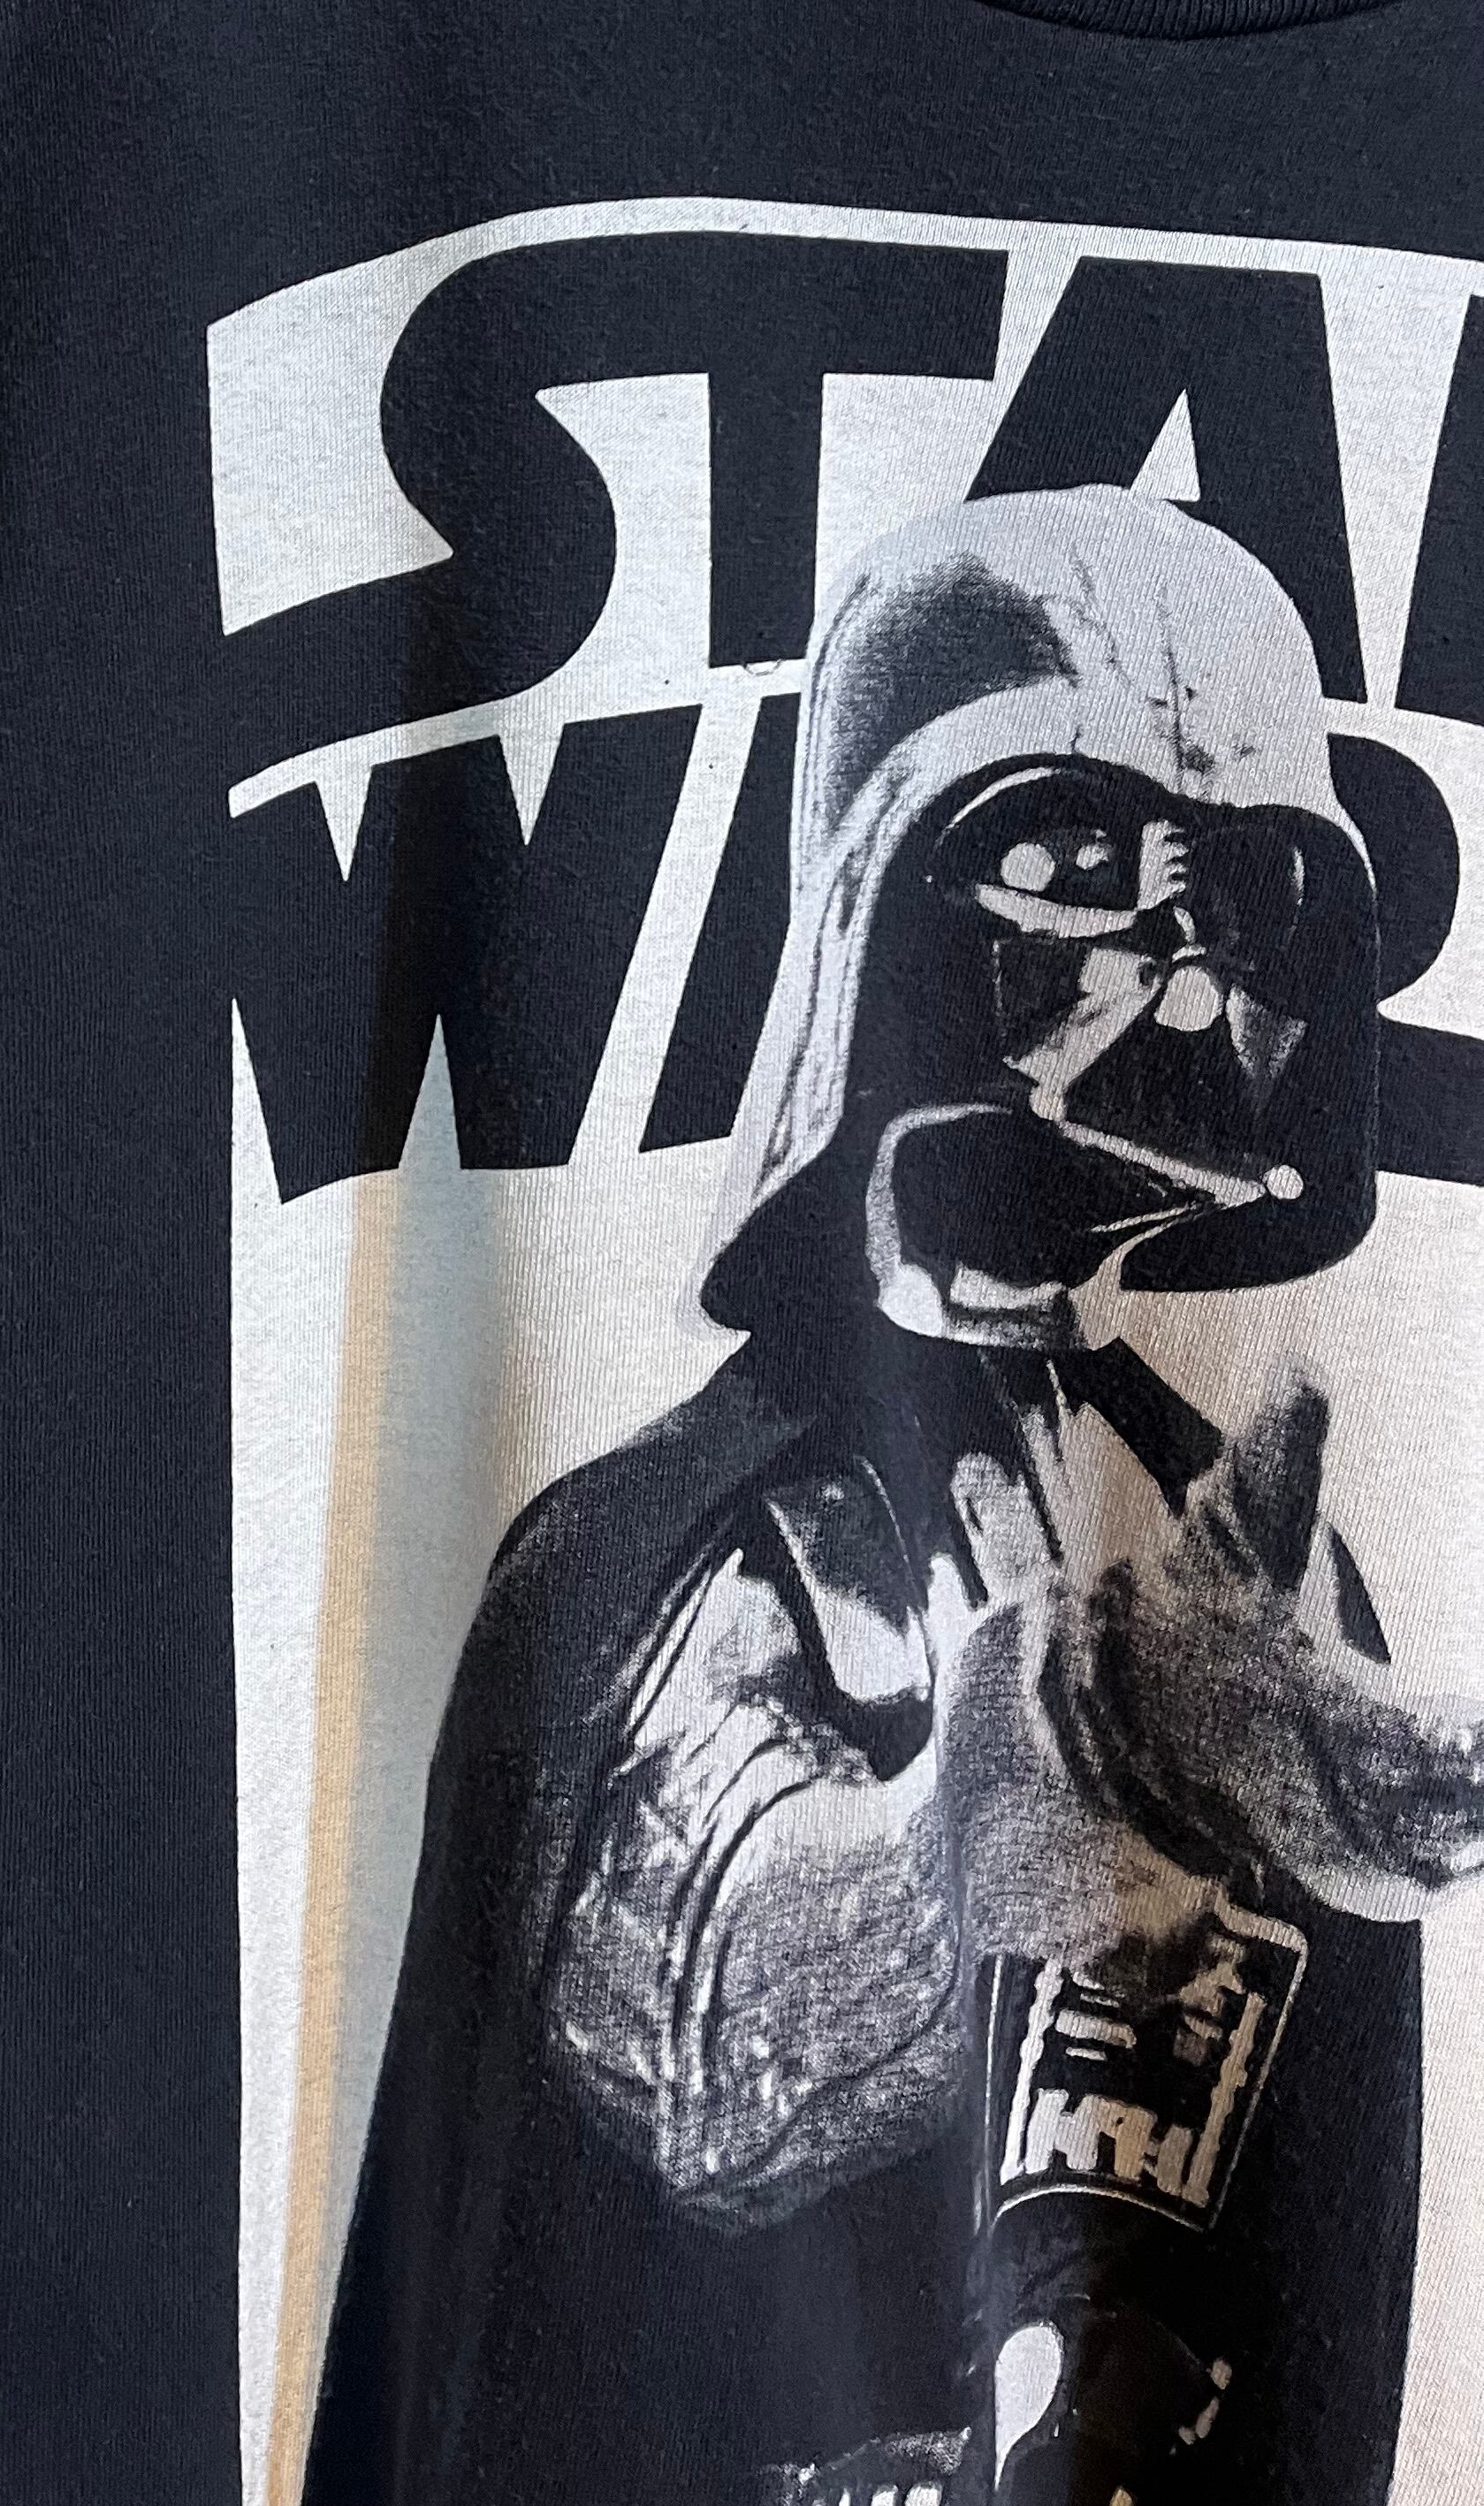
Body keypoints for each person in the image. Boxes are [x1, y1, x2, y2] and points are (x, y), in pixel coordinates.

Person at [304, 483, 1484, 2506]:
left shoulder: (1255, 1554)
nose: (1185, 962)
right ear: (881, 911)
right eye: (1076, 859)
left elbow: (1314, 2267)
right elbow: (684, 2013)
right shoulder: (655, 1550)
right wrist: (1013, 1791)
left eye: (1250, 883)